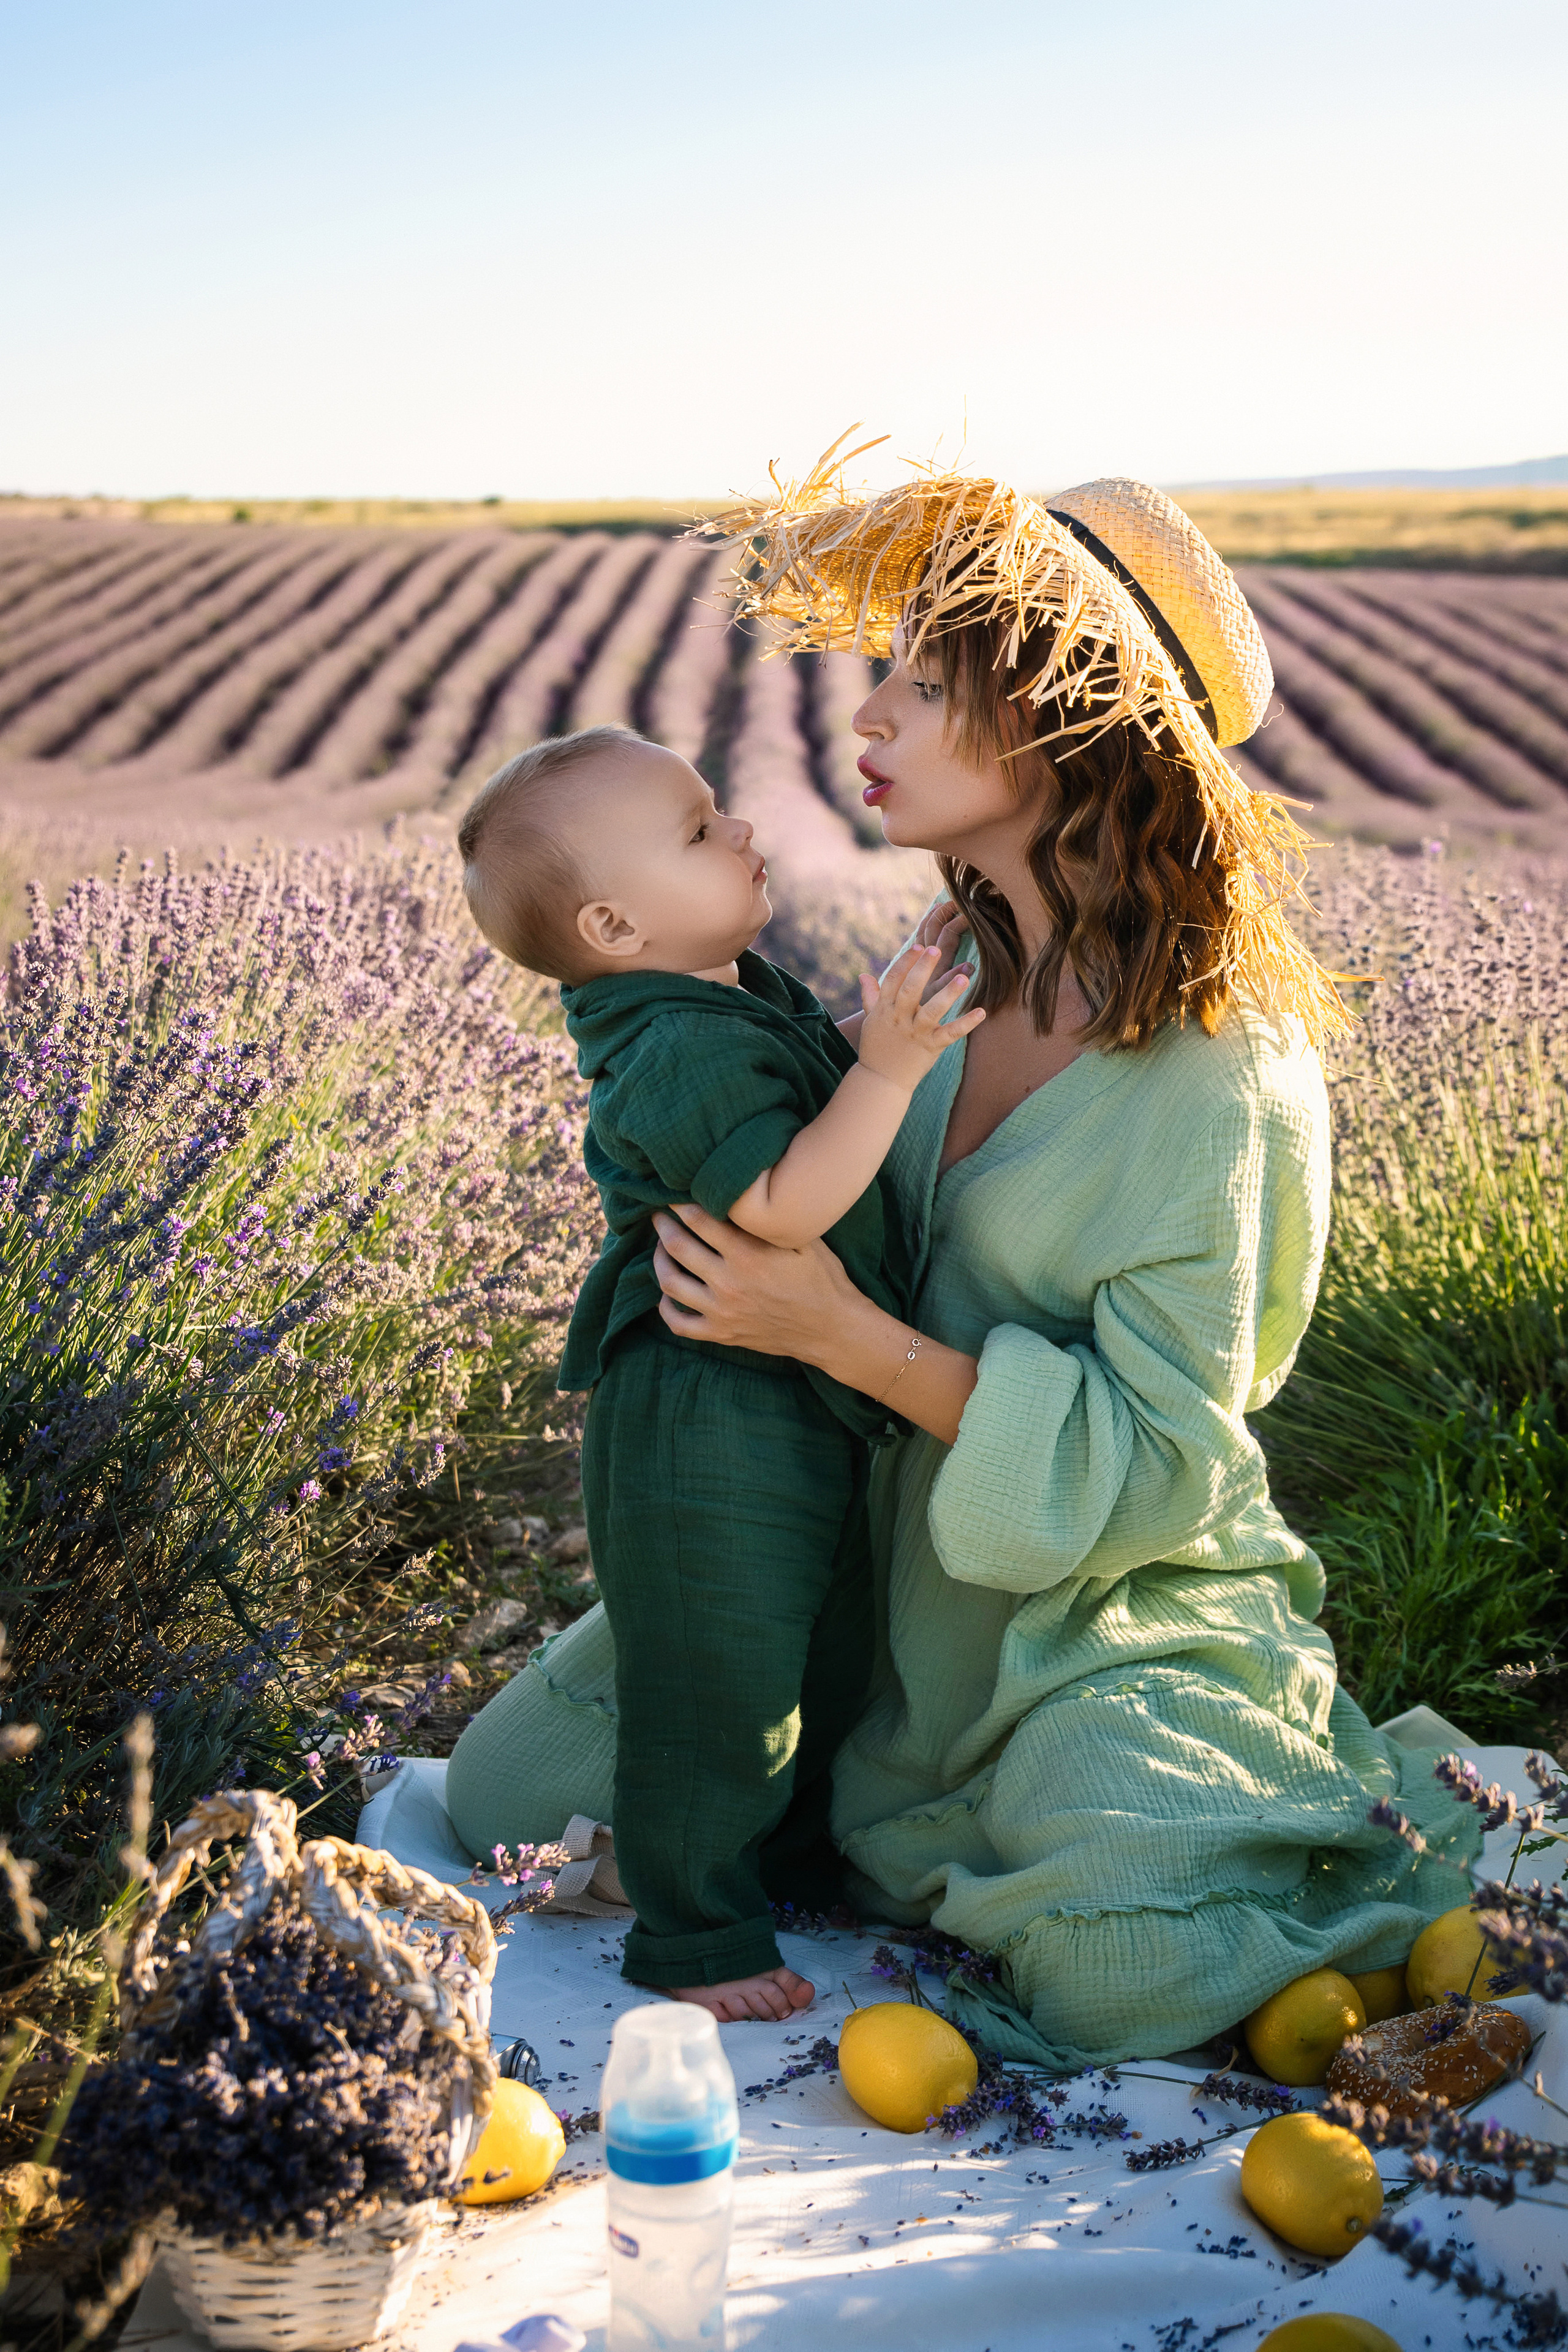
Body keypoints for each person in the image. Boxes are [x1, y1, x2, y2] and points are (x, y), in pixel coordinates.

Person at [448, 451, 1479, 2067]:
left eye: (924, 686)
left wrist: (835, 1333)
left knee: (1115, 1975)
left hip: (1086, 1610)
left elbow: (1160, 1470)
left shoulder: (1225, 1073)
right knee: (507, 1793)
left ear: (1063, 717)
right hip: (844, 1564)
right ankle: (847, 1811)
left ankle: (1281, 1821)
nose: (865, 722)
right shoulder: (937, 980)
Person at [450, 724, 982, 2020]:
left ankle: (772, 1864)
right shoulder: (670, 1045)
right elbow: (782, 1202)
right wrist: (898, 1064)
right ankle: (694, 1940)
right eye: (697, 831)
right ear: (616, 926)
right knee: (717, 1680)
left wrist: (899, 995)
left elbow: (816, 1069)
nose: (739, 828)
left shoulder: (723, 991)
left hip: (776, 1389)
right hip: (700, 1413)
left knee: (818, 1648)